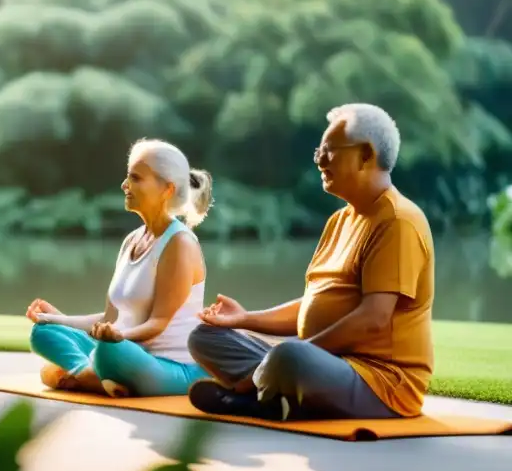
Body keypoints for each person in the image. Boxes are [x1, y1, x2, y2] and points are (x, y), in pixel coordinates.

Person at [187, 103, 434, 421]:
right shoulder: (339, 221)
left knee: (291, 355)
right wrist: (245, 319)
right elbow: (315, 306)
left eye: (330, 151)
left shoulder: (399, 221)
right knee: (204, 337)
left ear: (366, 156)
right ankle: (272, 394)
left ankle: (259, 393)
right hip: (321, 363)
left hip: (379, 382)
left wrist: (286, 356)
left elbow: (374, 318)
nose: (319, 160)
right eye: (320, 150)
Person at [25, 139, 213, 398]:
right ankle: (90, 376)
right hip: (127, 350)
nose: (125, 185)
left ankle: (84, 375)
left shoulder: (179, 244)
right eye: (128, 177)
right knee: (43, 333)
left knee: (107, 350)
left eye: (136, 178)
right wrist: (56, 319)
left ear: (167, 189)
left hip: (172, 368)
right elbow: (108, 320)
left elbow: (157, 323)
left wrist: (116, 337)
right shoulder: (132, 241)